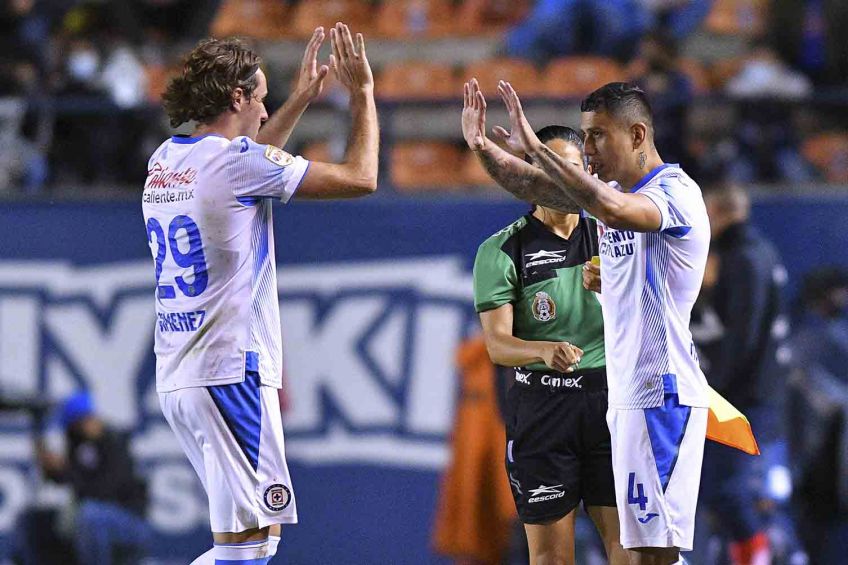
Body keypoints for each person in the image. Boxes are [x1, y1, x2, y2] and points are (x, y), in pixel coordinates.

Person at [142, 23, 378, 565]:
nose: (267, 114)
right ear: (238, 96)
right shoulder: (236, 164)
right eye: (264, 101)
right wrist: (362, 93)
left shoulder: (166, 159)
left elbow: (245, 165)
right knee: (247, 548)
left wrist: (299, 100)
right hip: (230, 370)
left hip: (183, 373)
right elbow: (361, 177)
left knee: (259, 538)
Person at [462, 79, 710, 565]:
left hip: (660, 393)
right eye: (585, 136)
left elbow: (614, 209)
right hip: (625, 396)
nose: (589, 149)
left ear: (638, 135)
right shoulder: (613, 192)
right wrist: (483, 149)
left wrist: (536, 146)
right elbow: (539, 188)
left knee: (656, 553)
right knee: (641, 554)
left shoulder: (673, 193)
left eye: (598, 136)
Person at [466, 121, 628, 565]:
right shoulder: (501, 250)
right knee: (552, 559)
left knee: (630, 552)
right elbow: (498, 344)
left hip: (612, 406)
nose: (560, 176)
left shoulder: (615, 239)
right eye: (547, 165)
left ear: (587, 173)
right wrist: (541, 350)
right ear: (530, 173)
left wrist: (618, 288)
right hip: (543, 411)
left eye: (570, 166)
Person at [33, 391, 151, 565]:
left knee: (89, 514)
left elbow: (105, 490)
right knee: (43, 520)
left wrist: (68, 470)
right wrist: (52, 468)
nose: (86, 425)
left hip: (131, 522)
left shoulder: (114, 442)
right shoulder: (80, 445)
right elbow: (70, 479)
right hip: (98, 521)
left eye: (85, 420)